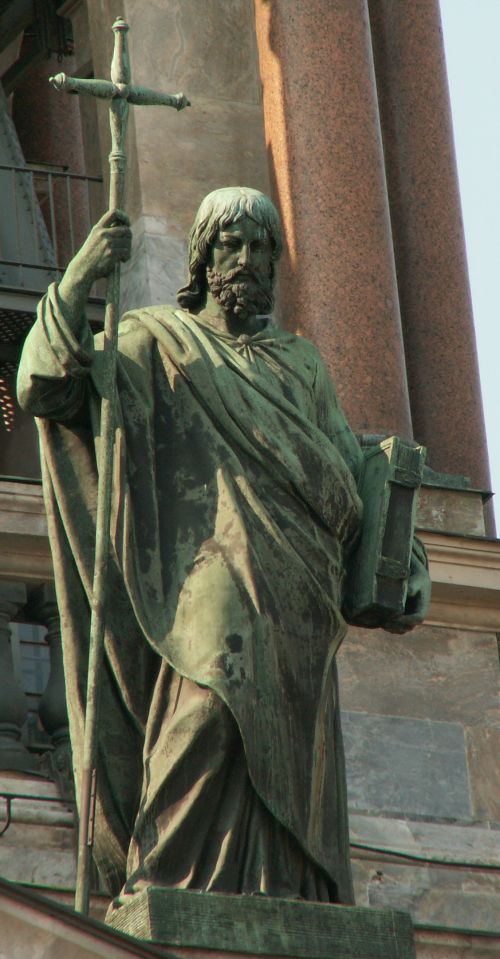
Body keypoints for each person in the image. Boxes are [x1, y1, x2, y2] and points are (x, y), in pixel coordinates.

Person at [17, 187, 429, 908]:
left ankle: (283, 889)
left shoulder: (300, 365)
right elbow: (44, 386)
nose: (247, 261)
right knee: (206, 701)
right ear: (203, 259)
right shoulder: (154, 340)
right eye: (231, 245)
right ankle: (162, 880)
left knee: (285, 749)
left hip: (300, 586)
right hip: (210, 571)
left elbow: (346, 473)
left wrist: (407, 561)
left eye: (261, 247)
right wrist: (80, 275)